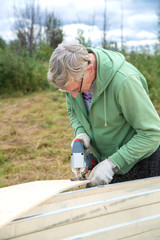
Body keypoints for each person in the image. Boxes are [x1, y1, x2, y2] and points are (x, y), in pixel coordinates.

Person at [47, 43, 160, 186]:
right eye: (66, 91)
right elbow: (73, 112)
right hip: (103, 163)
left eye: (75, 89)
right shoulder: (74, 80)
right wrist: (81, 133)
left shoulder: (125, 81)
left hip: (139, 164)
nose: (73, 96)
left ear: (88, 69)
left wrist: (112, 163)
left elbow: (152, 133)